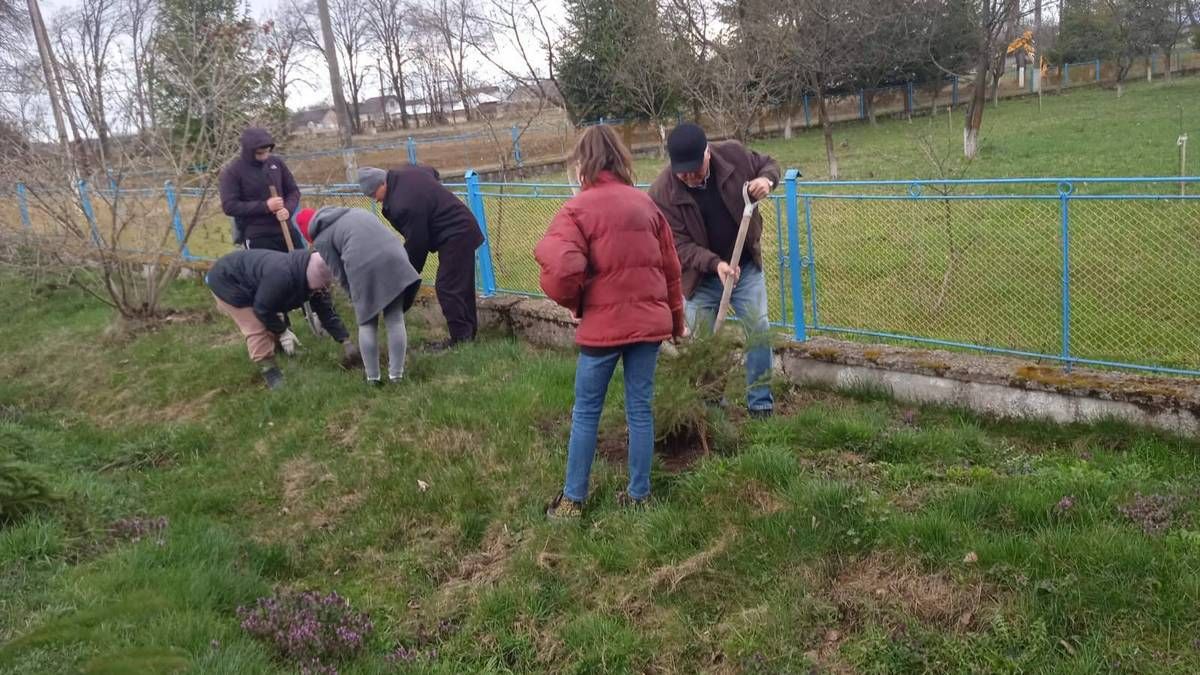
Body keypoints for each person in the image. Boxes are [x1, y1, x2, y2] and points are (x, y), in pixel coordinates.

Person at [534, 125, 686, 519]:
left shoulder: (576, 209)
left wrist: (574, 302)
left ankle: (572, 502)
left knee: (586, 412)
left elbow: (562, 266)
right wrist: (676, 322)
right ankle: (640, 496)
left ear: (584, 162)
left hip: (602, 330)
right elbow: (672, 271)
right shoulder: (647, 206)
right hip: (649, 327)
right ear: (621, 158)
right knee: (640, 409)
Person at [647, 123, 780, 418]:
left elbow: (769, 164)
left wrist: (767, 180)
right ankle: (711, 406)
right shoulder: (662, 193)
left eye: (694, 168)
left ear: (707, 152)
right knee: (703, 344)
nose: (689, 176)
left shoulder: (733, 155)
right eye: (682, 172)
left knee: (758, 330)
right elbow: (678, 246)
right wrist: (715, 264)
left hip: (744, 267)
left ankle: (760, 404)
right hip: (700, 279)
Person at [358, 165, 484, 351]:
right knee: (461, 285)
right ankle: (467, 334)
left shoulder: (403, 203)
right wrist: (432, 195)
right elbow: (432, 172)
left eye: (373, 193)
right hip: (461, 227)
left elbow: (418, 243)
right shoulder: (408, 172)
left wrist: (407, 276)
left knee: (447, 286)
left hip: (456, 233)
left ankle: (461, 339)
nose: (375, 200)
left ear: (383, 182)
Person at [296, 206, 422, 386]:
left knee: (367, 323)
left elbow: (339, 272)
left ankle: (373, 378)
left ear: (308, 231)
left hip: (364, 267)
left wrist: (355, 297)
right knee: (394, 318)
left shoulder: (321, 239)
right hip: (395, 258)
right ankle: (397, 377)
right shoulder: (356, 211)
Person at [205, 248, 360, 390]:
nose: (321, 290)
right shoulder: (282, 276)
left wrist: (345, 340)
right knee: (256, 326)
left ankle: (280, 350)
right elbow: (263, 309)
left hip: (254, 283)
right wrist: (283, 331)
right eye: (318, 288)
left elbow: (326, 311)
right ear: (310, 280)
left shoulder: (317, 281)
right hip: (227, 280)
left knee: (273, 315)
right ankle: (270, 370)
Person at [219, 127, 306, 340]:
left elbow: (293, 191)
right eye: (260, 153)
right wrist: (265, 206)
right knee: (271, 282)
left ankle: (315, 313)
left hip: (285, 229)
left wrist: (288, 208)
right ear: (249, 151)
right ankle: (281, 329)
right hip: (258, 235)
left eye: (267, 151)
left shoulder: (276, 164)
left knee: (303, 270)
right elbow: (230, 206)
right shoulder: (233, 172)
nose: (264, 156)